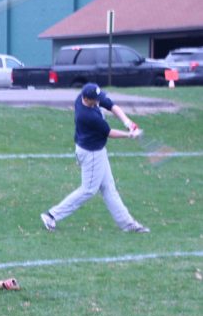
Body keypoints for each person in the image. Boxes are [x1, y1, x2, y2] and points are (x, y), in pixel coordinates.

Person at [41, 83, 149, 233]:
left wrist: (128, 122)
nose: (99, 101)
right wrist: (129, 135)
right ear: (87, 98)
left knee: (108, 188)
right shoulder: (87, 116)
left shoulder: (88, 97)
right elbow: (109, 132)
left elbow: (112, 106)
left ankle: (127, 224)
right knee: (88, 190)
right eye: (95, 100)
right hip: (90, 154)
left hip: (97, 151)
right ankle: (51, 215)